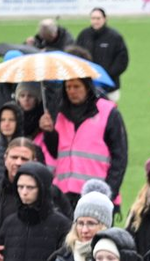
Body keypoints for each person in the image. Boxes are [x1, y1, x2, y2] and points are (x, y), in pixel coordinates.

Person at [35, 76, 127, 206]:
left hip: (96, 194)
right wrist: (49, 132)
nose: (72, 91)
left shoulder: (108, 112)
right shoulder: (60, 113)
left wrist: (109, 193)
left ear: (87, 87)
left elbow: (120, 157)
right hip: (64, 194)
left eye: (76, 86)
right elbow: (56, 153)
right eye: (68, 87)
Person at [75, 8, 129, 95]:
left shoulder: (115, 37)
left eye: (98, 18)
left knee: (109, 108)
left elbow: (122, 60)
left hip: (110, 86)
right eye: (93, 18)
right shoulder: (84, 35)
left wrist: (106, 76)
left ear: (105, 18)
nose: (95, 21)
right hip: (87, 85)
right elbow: (76, 57)